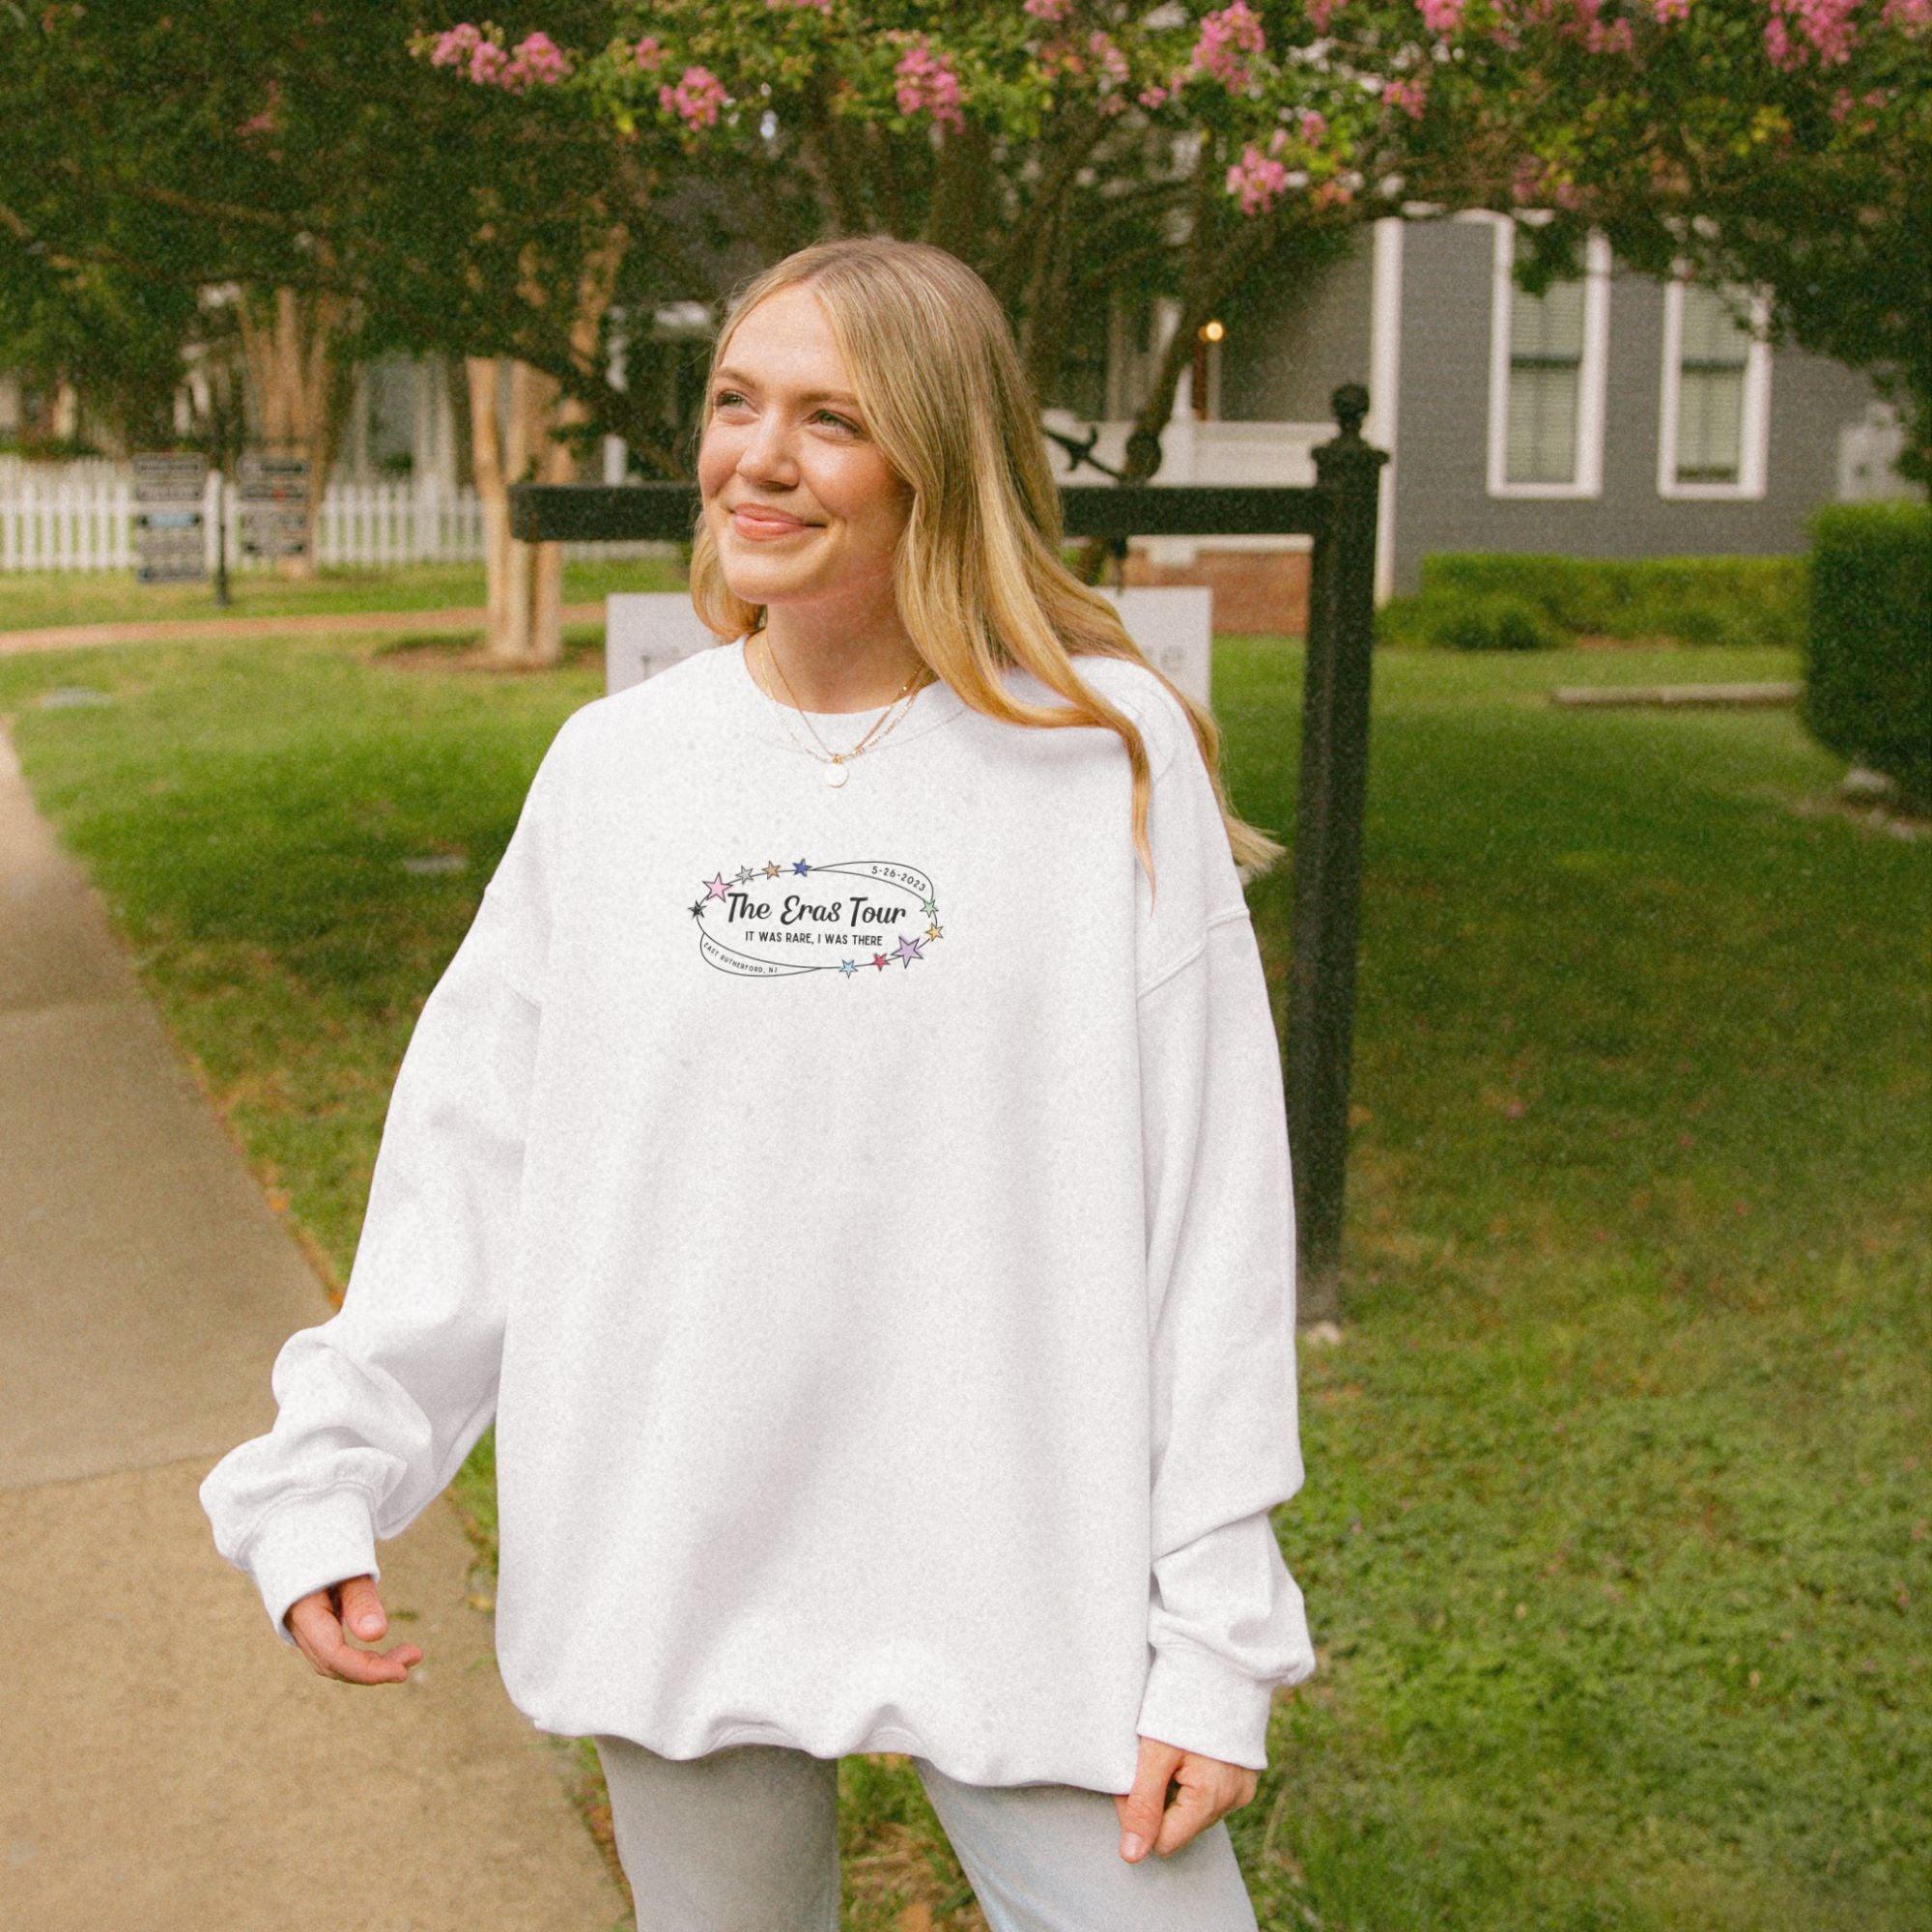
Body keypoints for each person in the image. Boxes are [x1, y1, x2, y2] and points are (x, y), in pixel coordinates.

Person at [200, 235, 1319, 1930]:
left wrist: (1217, 1633)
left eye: (831, 420)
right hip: (680, 1535)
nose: (759, 459)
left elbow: (1214, 1218)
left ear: (939, 462)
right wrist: (327, 1476)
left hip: (1020, 1548)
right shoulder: (618, 769)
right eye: (735, 403)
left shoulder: (1103, 757)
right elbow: (475, 1158)